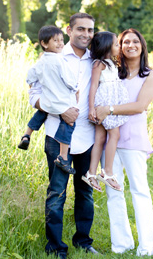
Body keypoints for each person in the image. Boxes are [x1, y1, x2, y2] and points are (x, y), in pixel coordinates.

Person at [28, 13, 98, 258]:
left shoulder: (96, 60)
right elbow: (33, 94)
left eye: (90, 30)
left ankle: (83, 241)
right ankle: (56, 247)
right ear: (69, 30)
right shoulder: (51, 56)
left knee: (85, 191)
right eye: (81, 29)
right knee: (57, 192)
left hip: (88, 137)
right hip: (57, 137)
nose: (86, 34)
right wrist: (60, 110)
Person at [93, 28, 153, 256]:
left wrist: (108, 109)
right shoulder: (113, 72)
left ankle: (146, 246)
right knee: (114, 193)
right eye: (125, 42)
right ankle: (121, 244)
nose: (130, 45)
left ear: (142, 46)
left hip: (134, 141)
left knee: (140, 191)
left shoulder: (149, 76)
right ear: (119, 47)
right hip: (110, 142)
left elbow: (140, 106)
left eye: (135, 42)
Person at [20, 25, 78, 174]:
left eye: (61, 40)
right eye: (55, 40)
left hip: (47, 100)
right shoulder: (60, 61)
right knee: (69, 123)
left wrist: (32, 83)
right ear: (44, 44)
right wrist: (75, 88)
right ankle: (63, 157)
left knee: (41, 113)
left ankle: (27, 134)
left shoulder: (41, 61)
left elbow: (30, 77)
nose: (60, 43)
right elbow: (70, 80)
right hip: (62, 101)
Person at [82, 31, 130, 192]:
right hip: (104, 103)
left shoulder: (111, 63)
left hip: (111, 102)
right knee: (114, 135)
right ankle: (107, 172)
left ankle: (90, 173)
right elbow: (93, 86)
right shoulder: (99, 64)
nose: (119, 47)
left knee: (100, 137)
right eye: (116, 44)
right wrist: (91, 108)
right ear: (106, 47)